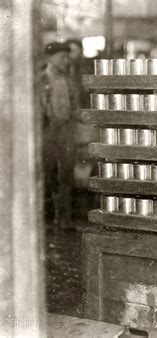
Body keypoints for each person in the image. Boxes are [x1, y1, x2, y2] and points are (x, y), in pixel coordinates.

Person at [39, 42, 79, 230]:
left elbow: (75, 105)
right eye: (62, 57)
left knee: (66, 175)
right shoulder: (41, 79)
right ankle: (45, 220)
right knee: (46, 174)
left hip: (66, 131)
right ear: (50, 58)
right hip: (47, 133)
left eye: (66, 56)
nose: (66, 60)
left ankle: (65, 219)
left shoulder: (69, 80)